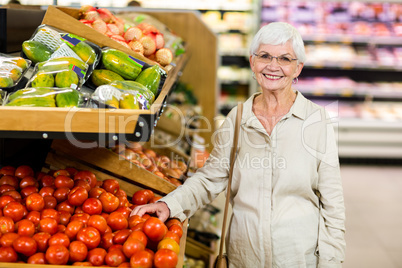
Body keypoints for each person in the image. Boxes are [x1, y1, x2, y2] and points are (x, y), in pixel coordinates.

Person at [131, 22, 346, 267]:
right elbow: (210, 178)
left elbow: (333, 204)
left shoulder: (315, 120)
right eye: (265, 56)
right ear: (253, 63)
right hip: (244, 258)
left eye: (285, 59)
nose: (273, 66)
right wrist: (169, 205)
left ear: (298, 68)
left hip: (298, 258)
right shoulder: (238, 118)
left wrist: (331, 262)